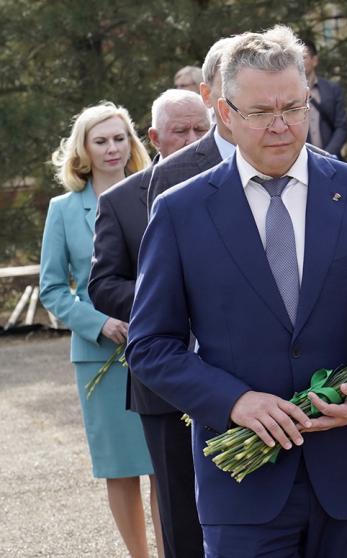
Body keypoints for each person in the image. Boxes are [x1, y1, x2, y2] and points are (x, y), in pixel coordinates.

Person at [126, 26, 347, 557]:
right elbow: (150, 346)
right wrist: (234, 401)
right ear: (225, 114)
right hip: (242, 486)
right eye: (261, 112)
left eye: (293, 107)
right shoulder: (180, 211)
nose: (281, 125)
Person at [88, 88, 210, 558]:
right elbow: (103, 285)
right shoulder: (121, 201)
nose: (193, 139)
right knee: (179, 508)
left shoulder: (237, 186)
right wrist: (165, 295)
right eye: (181, 131)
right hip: (162, 378)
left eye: (201, 128)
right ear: (155, 138)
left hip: (239, 371)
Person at [39, 101, 158, 558]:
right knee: (121, 468)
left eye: (119, 138)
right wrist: (101, 322)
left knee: (165, 466)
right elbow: (53, 289)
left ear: (132, 142)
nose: (112, 148)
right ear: (83, 150)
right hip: (100, 360)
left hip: (160, 347)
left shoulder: (157, 193)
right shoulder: (63, 209)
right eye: (101, 140)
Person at [147, 36, 238, 208]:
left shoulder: (284, 154)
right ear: (206, 93)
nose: (243, 97)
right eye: (230, 87)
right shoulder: (171, 174)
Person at [301, 38, 347, 158]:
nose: (299, 62)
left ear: (315, 60)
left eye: (303, 57)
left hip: (331, 158)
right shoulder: (289, 93)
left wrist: (327, 155)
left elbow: (341, 127)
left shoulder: (332, 89)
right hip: (304, 158)